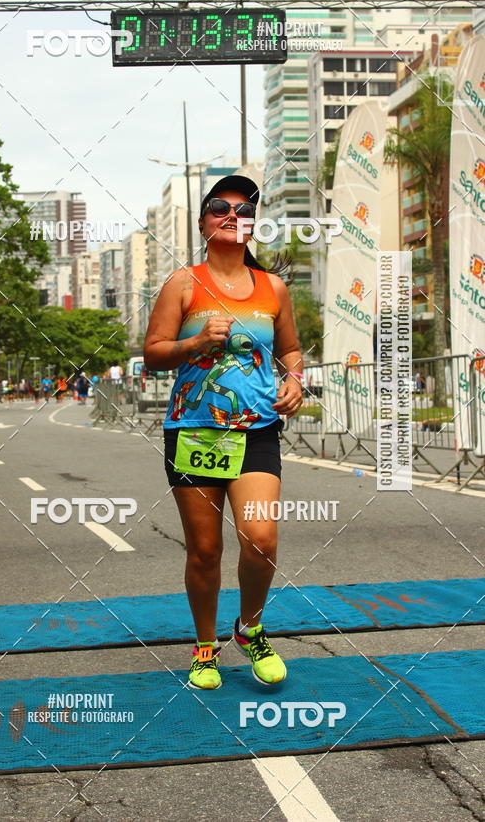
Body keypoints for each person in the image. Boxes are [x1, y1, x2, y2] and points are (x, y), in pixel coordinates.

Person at [143, 175, 303, 691]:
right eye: (220, 207)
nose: (232, 215)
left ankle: (249, 627)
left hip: (256, 429)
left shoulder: (272, 288)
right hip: (196, 431)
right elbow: (152, 353)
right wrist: (192, 345)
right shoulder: (182, 284)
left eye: (244, 208)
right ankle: (206, 647)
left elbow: (292, 350)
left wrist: (295, 380)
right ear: (203, 222)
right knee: (205, 551)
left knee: (260, 539)